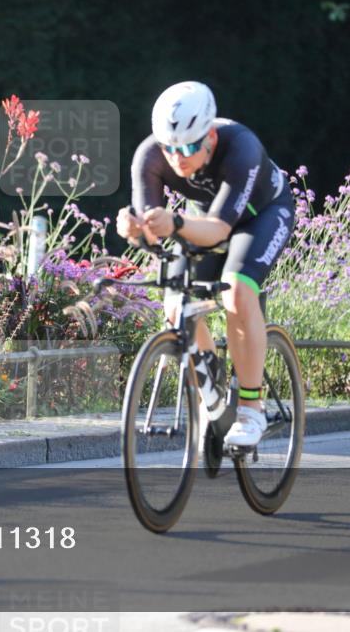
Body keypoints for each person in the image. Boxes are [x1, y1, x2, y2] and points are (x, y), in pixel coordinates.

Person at [116, 82, 294, 447]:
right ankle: (210, 386)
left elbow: (218, 230)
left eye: (189, 147)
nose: (178, 158)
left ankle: (250, 408)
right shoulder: (149, 157)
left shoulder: (240, 147)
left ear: (210, 136)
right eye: (170, 148)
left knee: (238, 291)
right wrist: (134, 230)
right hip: (205, 221)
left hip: (261, 216)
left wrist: (176, 223)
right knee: (174, 305)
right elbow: (149, 230)